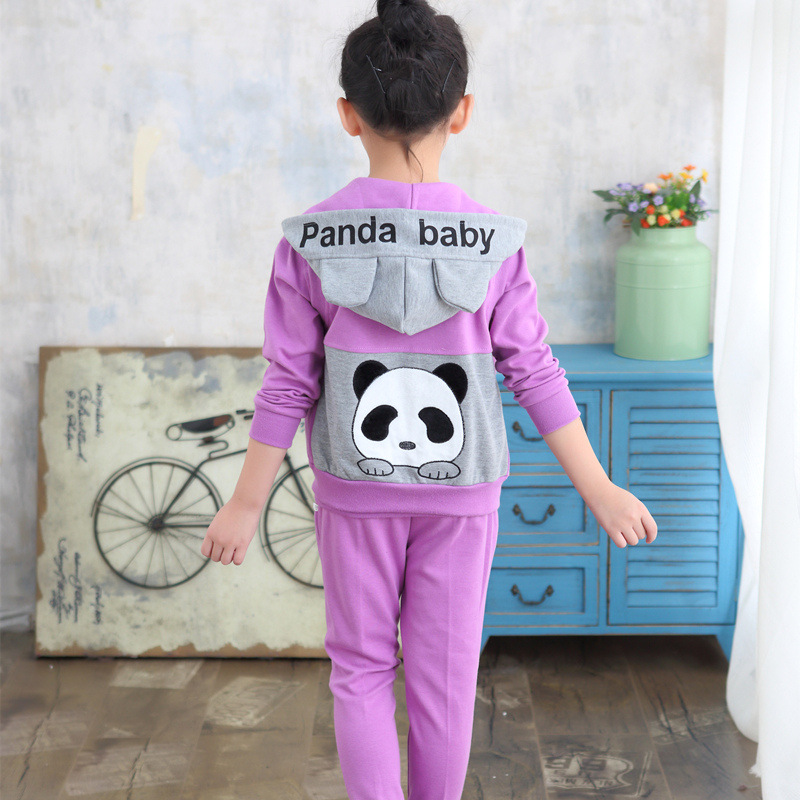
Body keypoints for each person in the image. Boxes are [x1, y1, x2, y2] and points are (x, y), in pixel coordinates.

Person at [200, 0, 658, 797]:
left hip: (355, 492)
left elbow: (288, 380)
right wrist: (598, 486)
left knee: (360, 670)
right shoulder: (495, 243)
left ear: (349, 114)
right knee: (444, 677)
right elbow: (534, 370)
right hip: (464, 494)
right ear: (463, 111)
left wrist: (245, 501)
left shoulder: (309, 241)